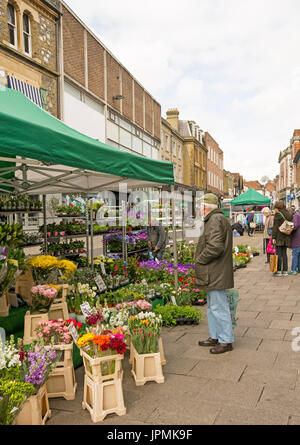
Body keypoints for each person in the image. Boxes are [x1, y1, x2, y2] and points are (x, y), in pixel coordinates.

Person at [195, 193, 234, 354]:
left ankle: (226, 341)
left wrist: (200, 259)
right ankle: (216, 336)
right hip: (215, 271)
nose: (198, 208)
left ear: (205, 207)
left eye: (200, 206)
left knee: (219, 307)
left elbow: (215, 247)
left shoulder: (214, 220)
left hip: (215, 271)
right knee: (212, 307)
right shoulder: (217, 219)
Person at [271, 201, 293, 276]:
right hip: (287, 236)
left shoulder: (278, 215)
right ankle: (285, 271)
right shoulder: (288, 214)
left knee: (279, 254)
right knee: (284, 254)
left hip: (279, 237)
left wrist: (273, 237)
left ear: (278, 208)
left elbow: (275, 227)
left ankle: (279, 271)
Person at [288, 209, 300, 274]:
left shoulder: (295, 216)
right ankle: (299, 268)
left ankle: (293, 269)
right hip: (298, 238)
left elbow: (295, 225)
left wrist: (288, 228)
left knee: (295, 254)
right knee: (298, 255)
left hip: (296, 239)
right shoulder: (298, 215)